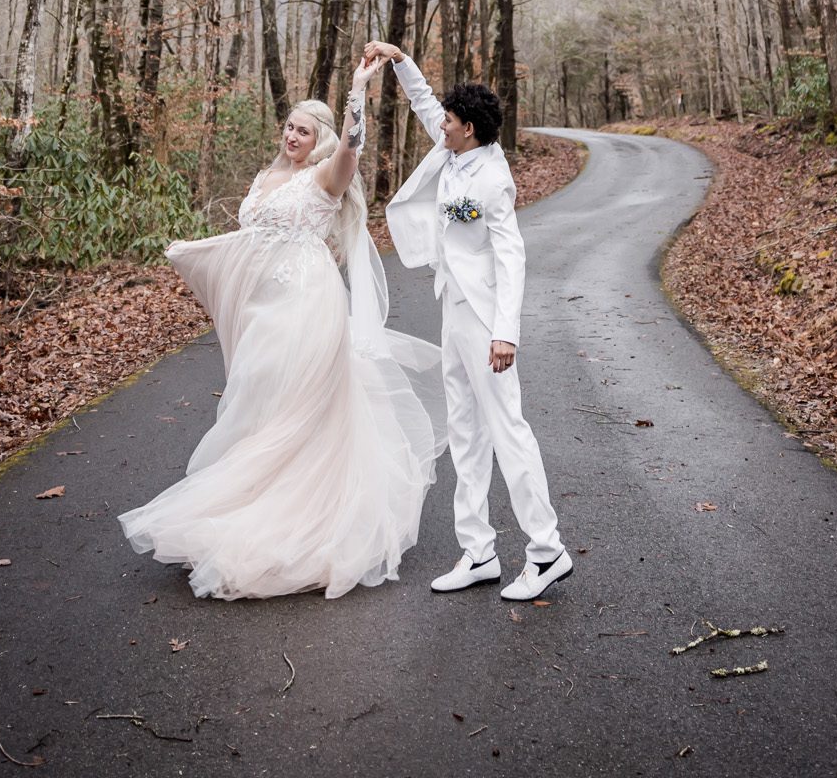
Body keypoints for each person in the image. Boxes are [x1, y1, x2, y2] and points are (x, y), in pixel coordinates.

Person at [119, 53, 444, 600]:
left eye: (303, 130)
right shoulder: (266, 177)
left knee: (295, 405)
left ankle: (300, 527)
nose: (293, 135)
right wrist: (196, 252)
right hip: (260, 309)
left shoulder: (326, 176)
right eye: (289, 126)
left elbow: (352, 145)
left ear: (318, 138)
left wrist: (357, 92)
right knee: (258, 402)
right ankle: (250, 504)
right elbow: (249, 242)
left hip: (307, 304)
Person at [363, 38, 571, 603]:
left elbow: (511, 256)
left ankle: (547, 550)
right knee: (464, 431)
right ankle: (477, 550)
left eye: (451, 123)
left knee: (508, 429)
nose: (442, 126)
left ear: (470, 131)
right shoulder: (454, 149)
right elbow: (425, 104)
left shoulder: (492, 182)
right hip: (452, 310)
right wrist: (399, 60)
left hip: (485, 321)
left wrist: (506, 332)